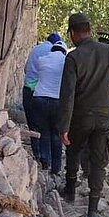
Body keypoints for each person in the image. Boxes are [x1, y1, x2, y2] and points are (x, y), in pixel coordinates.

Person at [59, 13, 109, 217]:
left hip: (81, 115)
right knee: (98, 162)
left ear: (73, 34)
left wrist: (64, 126)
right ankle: (93, 210)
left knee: (73, 150)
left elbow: (67, 95)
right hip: (105, 116)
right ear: (90, 31)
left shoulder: (73, 57)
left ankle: (69, 190)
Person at [79, 30, 109, 174]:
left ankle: (87, 170)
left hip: (87, 107)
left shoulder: (88, 58)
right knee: (102, 143)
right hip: (108, 109)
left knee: (86, 141)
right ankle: (96, 173)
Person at [23, 32, 62, 158]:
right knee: (46, 128)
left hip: (27, 89)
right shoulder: (52, 52)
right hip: (40, 93)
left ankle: (36, 153)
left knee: (33, 125)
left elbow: (25, 69)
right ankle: (46, 157)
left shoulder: (35, 49)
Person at [33, 40, 68, 174]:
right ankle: (56, 168)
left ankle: (44, 161)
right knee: (56, 134)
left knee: (44, 132)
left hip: (40, 98)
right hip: (57, 101)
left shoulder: (42, 59)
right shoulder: (65, 61)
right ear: (63, 51)